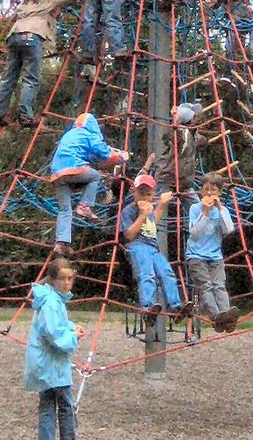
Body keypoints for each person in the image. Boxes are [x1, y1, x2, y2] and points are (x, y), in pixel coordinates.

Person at [0, 0, 76, 128]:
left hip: (14, 37)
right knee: (31, 79)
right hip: (32, 37)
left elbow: (16, 16)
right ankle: (25, 116)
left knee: (9, 77)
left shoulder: (25, 2)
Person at [24, 257, 86, 440]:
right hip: (51, 365)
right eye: (63, 279)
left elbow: (58, 325)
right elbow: (53, 334)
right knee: (61, 405)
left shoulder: (52, 299)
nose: (67, 283)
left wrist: (71, 327)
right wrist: (73, 336)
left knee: (50, 405)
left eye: (70, 278)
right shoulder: (51, 302)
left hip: (48, 364)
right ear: (52, 280)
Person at [49, 113, 128, 254]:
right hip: (73, 168)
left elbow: (90, 154)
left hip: (57, 173)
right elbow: (103, 154)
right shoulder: (90, 135)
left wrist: (112, 152)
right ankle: (85, 206)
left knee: (65, 209)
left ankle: (61, 242)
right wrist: (121, 157)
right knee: (95, 176)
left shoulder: (70, 134)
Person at [120, 172, 194, 320]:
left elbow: (155, 218)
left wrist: (162, 203)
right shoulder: (129, 211)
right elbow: (128, 235)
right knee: (147, 275)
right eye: (141, 193)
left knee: (167, 273)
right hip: (137, 246)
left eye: (148, 194)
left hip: (153, 248)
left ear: (153, 194)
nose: (144, 197)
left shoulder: (149, 209)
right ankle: (147, 307)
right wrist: (141, 215)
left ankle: (175, 307)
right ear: (133, 191)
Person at [187, 173, 241, 331]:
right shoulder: (195, 208)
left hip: (215, 256)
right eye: (206, 189)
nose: (209, 193)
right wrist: (204, 212)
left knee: (219, 285)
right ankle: (215, 315)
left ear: (219, 192)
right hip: (196, 255)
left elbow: (229, 230)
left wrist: (220, 208)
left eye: (213, 190)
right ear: (201, 191)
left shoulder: (221, 210)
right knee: (206, 286)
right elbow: (195, 233)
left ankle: (226, 314)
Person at [153, 101, 205, 196]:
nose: (197, 119)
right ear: (191, 119)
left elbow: (200, 140)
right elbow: (171, 137)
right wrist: (175, 123)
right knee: (157, 201)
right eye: (195, 117)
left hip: (183, 180)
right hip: (167, 177)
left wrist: (204, 141)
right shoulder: (179, 133)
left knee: (194, 205)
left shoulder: (193, 133)